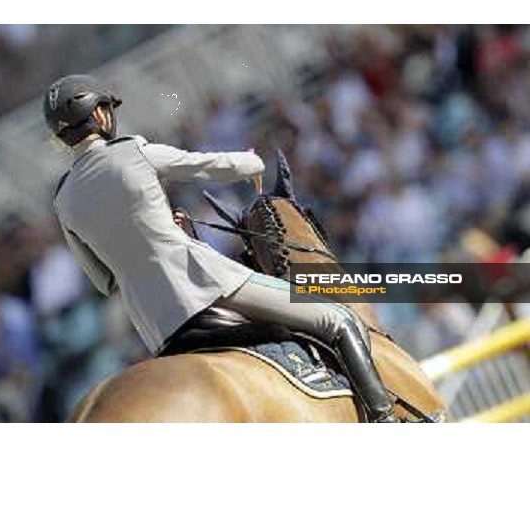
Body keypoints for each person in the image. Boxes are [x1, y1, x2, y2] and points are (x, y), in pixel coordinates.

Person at [44, 74, 397, 422]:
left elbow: (103, 280)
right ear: (100, 115)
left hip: (156, 326)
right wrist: (253, 162)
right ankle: (386, 421)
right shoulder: (132, 151)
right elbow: (206, 166)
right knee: (337, 318)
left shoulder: (63, 199)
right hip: (207, 287)